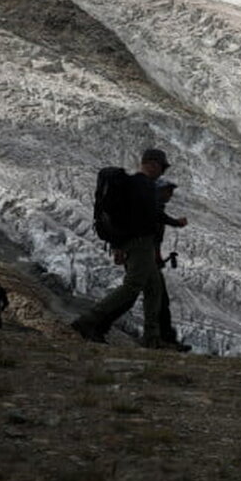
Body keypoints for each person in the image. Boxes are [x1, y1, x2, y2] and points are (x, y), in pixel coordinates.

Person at [71, 148, 177, 349]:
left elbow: (123, 216)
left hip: (139, 243)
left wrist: (118, 243)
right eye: (162, 168)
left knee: (153, 288)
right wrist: (120, 244)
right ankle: (88, 321)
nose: (162, 173)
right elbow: (138, 217)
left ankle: (152, 338)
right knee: (132, 287)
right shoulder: (142, 185)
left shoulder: (136, 184)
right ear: (153, 164)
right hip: (139, 243)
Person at [153, 178, 190, 351]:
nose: (170, 194)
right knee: (159, 299)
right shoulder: (153, 208)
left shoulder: (154, 208)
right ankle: (163, 338)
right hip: (146, 261)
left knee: (158, 299)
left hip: (149, 260)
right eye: (168, 191)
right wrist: (176, 222)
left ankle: (162, 338)